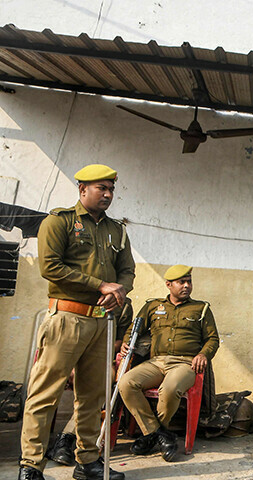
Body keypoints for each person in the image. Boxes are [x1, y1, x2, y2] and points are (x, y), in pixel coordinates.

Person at [19, 164, 135, 480]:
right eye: (102, 188)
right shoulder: (59, 222)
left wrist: (119, 290)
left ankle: (87, 462)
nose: (108, 195)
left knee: (92, 397)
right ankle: (31, 465)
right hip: (66, 319)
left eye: (111, 189)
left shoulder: (117, 230)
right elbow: (51, 267)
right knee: (45, 394)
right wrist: (101, 285)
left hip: (101, 323)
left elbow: (127, 271)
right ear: (82, 189)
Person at [117, 264, 219, 462]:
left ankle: (152, 434)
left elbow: (212, 339)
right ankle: (159, 434)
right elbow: (134, 329)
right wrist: (127, 343)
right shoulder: (153, 306)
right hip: (156, 362)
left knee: (170, 389)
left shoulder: (201, 308)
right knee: (126, 383)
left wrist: (203, 355)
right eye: (181, 282)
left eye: (189, 282)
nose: (187, 286)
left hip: (185, 364)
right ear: (168, 285)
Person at [46, 299, 134, 466]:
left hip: (100, 358)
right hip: (69, 355)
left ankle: (67, 439)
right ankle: (34, 457)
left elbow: (119, 340)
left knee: (104, 379)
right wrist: (72, 365)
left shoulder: (124, 306)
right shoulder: (76, 296)